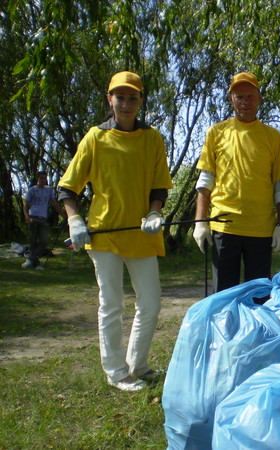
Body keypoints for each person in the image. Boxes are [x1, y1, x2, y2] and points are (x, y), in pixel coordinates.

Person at [58, 71, 173, 392]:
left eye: (132, 97)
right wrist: (74, 220)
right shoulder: (95, 137)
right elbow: (68, 187)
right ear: (110, 100)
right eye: (119, 97)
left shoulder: (152, 138)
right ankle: (117, 372)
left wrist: (154, 211)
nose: (126, 103)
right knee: (111, 303)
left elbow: (159, 185)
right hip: (103, 234)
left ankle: (139, 364)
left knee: (150, 303)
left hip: (142, 233)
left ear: (140, 100)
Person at [193, 72, 280, 293]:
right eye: (239, 96)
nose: (245, 102)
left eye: (250, 96)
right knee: (224, 297)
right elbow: (205, 181)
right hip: (224, 226)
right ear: (231, 99)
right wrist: (200, 222)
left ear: (259, 98)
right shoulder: (216, 133)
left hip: (261, 230)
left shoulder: (273, 137)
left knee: (259, 297)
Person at [22, 171, 66, 269]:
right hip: (33, 217)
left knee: (44, 241)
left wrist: (63, 214)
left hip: (43, 218)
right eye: (41, 178)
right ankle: (36, 263)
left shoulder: (48, 190)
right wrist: (27, 217)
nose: (43, 180)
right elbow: (26, 205)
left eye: (44, 178)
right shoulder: (31, 190)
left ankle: (31, 258)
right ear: (37, 178)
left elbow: (54, 203)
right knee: (33, 241)